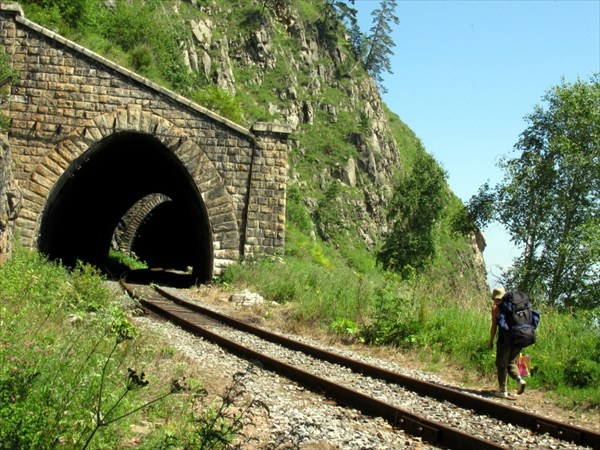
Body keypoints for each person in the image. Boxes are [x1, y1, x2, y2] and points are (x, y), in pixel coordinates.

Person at [489, 287, 527, 398]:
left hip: (505, 341)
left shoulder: (496, 308)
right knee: (511, 363)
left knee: (501, 364)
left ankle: (503, 390)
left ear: (495, 298)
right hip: (519, 339)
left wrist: (491, 341)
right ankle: (520, 380)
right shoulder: (516, 306)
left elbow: (494, 327)